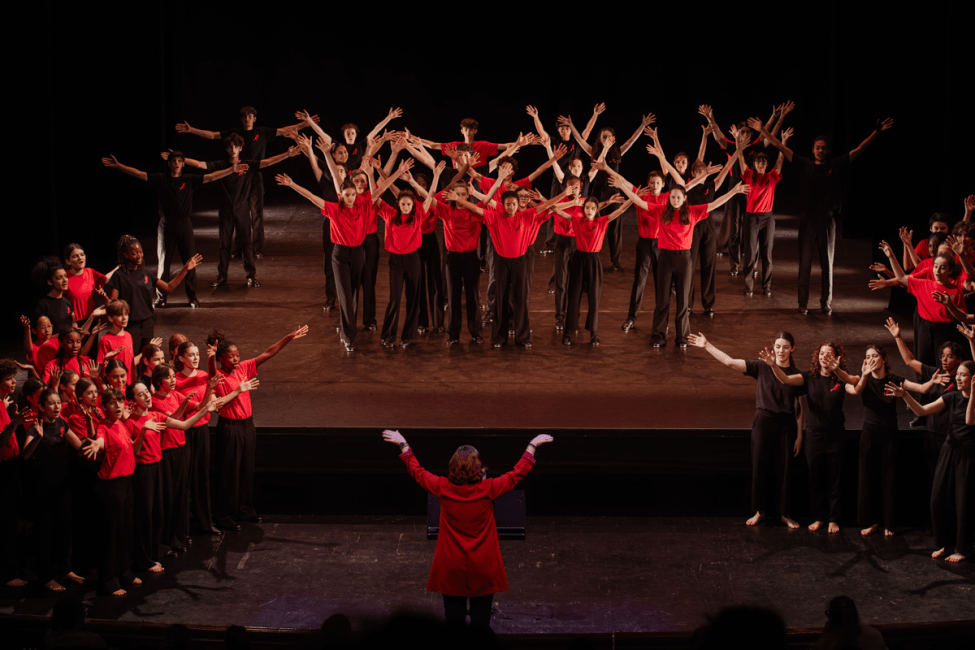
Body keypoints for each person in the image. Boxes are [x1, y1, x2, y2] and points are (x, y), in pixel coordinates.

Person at [382, 428, 553, 627]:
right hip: (483, 567)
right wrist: (532, 445)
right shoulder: (488, 489)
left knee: (454, 627)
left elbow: (417, 471)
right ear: (478, 468)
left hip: (451, 567)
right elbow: (517, 473)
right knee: (481, 626)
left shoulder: (442, 487)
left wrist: (403, 444)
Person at [748, 114, 894, 314]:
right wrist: (763, 131)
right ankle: (802, 303)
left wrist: (876, 132)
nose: (820, 150)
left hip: (827, 222)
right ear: (812, 150)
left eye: (823, 148)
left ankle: (826, 303)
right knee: (805, 264)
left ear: (828, 150)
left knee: (827, 264)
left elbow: (859, 150)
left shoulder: (836, 165)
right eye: (817, 147)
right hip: (807, 222)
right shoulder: (804, 164)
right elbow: (780, 147)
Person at [605, 162, 748, 347]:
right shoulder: (660, 211)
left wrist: (734, 191)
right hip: (665, 258)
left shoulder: (692, 212)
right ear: (669, 198)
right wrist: (623, 185)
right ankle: (658, 335)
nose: (674, 199)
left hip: (684, 260)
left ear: (684, 198)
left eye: (678, 197)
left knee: (682, 301)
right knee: (662, 300)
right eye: (672, 197)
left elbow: (714, 204)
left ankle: (682, 337)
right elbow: (639, 201)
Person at [276, 160, 404, 351]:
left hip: (359, 253)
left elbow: (381, 187)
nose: (351, 198)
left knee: (353, 292)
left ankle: (349, 329)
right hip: (340, 255)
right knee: (344, 295)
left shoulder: (363, 205)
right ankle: (349, 336)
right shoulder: (334, 210)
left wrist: (398, 171)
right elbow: (311, 196)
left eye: (353, 194)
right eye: (347, 195)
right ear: (341, 197)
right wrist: (292, 184)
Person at [687, 332, 805, 528]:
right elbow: (730, 362)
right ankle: (760, 511)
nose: (781, 350)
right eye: (777, 346)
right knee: (760, 466)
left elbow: (800, 408)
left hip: (786, 425)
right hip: (763, 421)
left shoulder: (796, 374)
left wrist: (800, 435)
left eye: (785, 347)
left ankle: (785, 513)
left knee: (784, 469)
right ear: (773, 348)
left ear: (792, 349)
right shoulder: (761, 367)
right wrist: (707, 345)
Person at [101, 152, 243, 307]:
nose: (176, 163)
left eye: (179, 161)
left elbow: (212, 176)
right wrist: (118, 165)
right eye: (174, 160)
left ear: (183, 164)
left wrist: (231, 170)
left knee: (190, 261)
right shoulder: (161, 179)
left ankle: (192, 296)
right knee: (164, 263)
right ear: (169, 164)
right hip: (166, 225)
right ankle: (161, 298)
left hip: (184, 224)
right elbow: (139, 174)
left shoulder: (189, 180)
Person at [176, 106, 319, 258]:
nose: (247, 118)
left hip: (255, 175)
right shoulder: (235, 133)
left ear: (254, 119)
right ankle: (239, 248)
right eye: (244, 116)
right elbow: (212, 135)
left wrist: (305, 124)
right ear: (241, 119)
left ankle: (256, 249)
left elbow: (285, 130)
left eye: (250, 116)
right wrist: (191, 130)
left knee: (256, 213)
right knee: (239, 213)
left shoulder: (262, 132)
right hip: (238, 176)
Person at [451, 167, 569, 348]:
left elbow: (546, 206)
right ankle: (499, 337)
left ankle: (522, 337)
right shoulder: (495, 216)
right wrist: (460, 199)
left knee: (520, 299)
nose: (512, 207)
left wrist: (565, 194)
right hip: (501, 262)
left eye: (514, 204)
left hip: (520, 262)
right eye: (508, 204)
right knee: (500, 299)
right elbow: (477, 207)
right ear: (503, 205)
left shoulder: (527, 215)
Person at [208, 326, 308, 531]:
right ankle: (224, 514)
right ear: (221, 359)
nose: (236, 359)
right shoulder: (217, 375)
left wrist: (288, 337)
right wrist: (211, 359)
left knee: (245, 468)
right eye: (231, 356)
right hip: (229, 427)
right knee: (229, 471)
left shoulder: (244, 367)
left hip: (247, 425)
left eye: (237, 355)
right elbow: (211, 373)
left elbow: (268, 353)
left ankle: (244, 509)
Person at [764, 342, 860, 532]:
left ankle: (833, 518)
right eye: (822, 353)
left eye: (829, 354)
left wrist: (837, 370)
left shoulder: (841, 379)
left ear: (836, 357)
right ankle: (819, 517)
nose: (825, 356)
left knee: (835, 477)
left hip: (835, 435)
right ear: (817, 357)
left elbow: (855, 383)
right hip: (814, 435)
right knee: (815, 477)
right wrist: (774, 365)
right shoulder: (809, 377)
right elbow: (785, 380)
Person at [887, 356, 974, 562]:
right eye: (958, 374)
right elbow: (923, 411)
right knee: (938, 498)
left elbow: (970, 421)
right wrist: (905, 395)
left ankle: (964, 548)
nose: (959, 378)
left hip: (968, 455)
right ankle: (945, 542)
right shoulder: (952, 397)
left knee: (962, 502)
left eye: (964, 375)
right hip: (948, 449)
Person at [203, 134, 300, 288]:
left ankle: (251, 276)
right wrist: (179, 159)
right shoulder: (221, 165)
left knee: (246, 243)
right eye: (230, 147)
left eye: (236, 146)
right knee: (224, 245)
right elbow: (201, 165)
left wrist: (287, 154)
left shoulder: (248, 165)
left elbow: (268, 162)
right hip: (226, 210)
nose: (233, 149)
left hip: (242, 209)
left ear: (241, 148)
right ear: (227, 149)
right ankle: (221, 277)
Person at [19, 388, 87, 592]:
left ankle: (65, 569)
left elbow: (79, 446)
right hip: (43, 488)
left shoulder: (62, 423)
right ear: (40, 407)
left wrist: (95, 437)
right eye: (51, 403)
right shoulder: (34, 427)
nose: (57, 407)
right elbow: (25, 456)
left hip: (63, 485)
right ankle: (46, 576)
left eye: (58, 403)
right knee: (45, 532)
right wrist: (38, 437)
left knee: (65, 529)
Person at [870, 241, 968, 367]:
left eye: (942, 267)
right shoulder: (924, 284)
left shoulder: (955, 291)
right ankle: (924, 386)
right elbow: (901, 278)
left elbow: (963, 317)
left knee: (944, 364)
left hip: (945, 331)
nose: (937, 270)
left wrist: (950, 305)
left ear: (950, 271)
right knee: (922, 362)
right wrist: (891, 257)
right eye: (935, 266)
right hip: (925, 328)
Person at [555, 196, 633, 346]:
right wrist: (539, 201)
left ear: (597, 210)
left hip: (594, 262)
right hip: (578, 260)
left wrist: (633, 199)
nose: (589, 210)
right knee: (574, 297)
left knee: (594, 298)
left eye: (592, 208)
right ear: (583, 209)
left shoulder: (602, 221)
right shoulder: (577, 220)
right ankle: (568, 332)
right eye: (587, 207)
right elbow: (557, 210)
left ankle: (593, 333)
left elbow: (621, 210)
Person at [105, 235, 201, 353]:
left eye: (140, 251)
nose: (139, 255)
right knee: (131, 359)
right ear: (126, 255)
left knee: (147, 359)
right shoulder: (119, 276)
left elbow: (168, 287)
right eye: (134, 253)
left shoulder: (146, 272)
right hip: (130, 326)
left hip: (147, 325)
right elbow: (112, 305)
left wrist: (186, 268)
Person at [740, 129, 791, 297]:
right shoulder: (748, 175)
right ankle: (748, 286)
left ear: (766, 164)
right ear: (754, 164)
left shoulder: (772, 176)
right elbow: (740, 160)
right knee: (750, 252)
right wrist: (738, 145)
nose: (761, 164)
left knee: (767, 253)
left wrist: (783, 142)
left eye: (763, 162)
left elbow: (780, 159)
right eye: (758, 162)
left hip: (767, 218)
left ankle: (766, 285)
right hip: (751, 218)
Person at [0, 359, 30, 588]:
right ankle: (7, 573)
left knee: (14, 520)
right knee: (7, 522)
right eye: (10, 379)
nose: (14, 382)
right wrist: (14, 424)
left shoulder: (2, 402)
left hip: (11, 467)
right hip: (3, 471)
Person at [812, 595, 887, 650]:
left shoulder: (826, 643)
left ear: (831, 617)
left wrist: (824, 636)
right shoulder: (875, 636)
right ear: (855, 614)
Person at [63, 243, 113, 322]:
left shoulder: (90, 272)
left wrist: (120, 266)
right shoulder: (64, 276)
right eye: (75, 256)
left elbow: (106, 278)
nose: (80, 258)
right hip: (72, 323)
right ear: (68, 261)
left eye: (82, 255)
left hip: (91, 320)